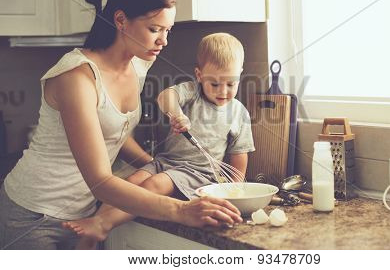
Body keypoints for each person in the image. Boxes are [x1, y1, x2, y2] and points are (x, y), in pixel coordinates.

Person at [0, 0, 243, 250]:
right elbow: (101, 181)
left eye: (168, 30)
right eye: (154, 29)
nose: (163, 41)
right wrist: (181, 210)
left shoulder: (139, 63)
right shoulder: (76, 78)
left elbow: (115, 131)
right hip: (33, 215)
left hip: (87, 212)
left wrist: (157, 167)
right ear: (120, 21)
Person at [63, 32, 255, 249]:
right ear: (199, 75)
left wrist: (234, 191)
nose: (223, 91)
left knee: (154, 184)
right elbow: (166, 97)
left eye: (231, 84)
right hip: (165, 161)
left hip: (197, 173)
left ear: (240, 75)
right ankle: (89, 239)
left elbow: (240, 156)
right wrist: (176, 114)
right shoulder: (192, 91)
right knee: (130, 183)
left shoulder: (239, 113)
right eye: (215, 84)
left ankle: (103, 224)